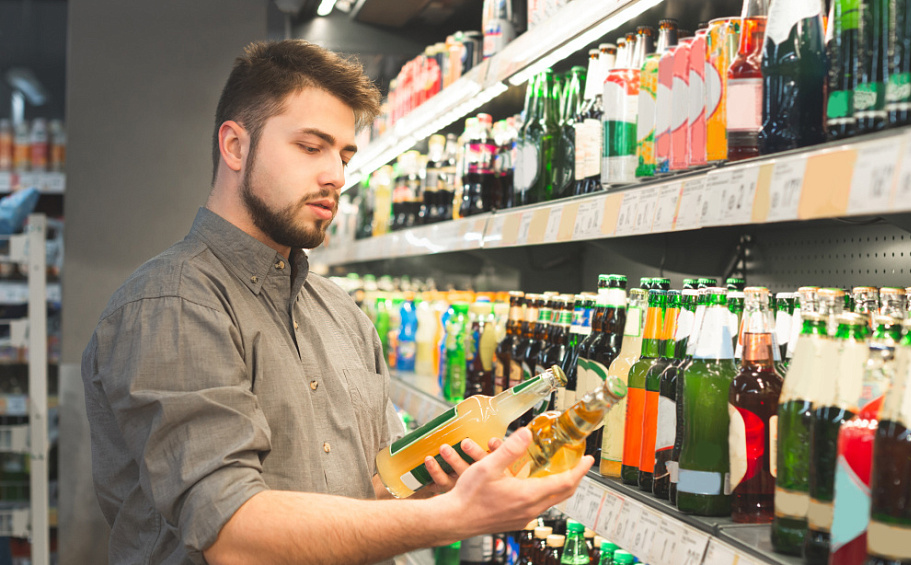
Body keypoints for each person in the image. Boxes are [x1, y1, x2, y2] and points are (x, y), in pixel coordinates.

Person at [81, 39, 592, 565]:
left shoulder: (341, 314)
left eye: (344, 155)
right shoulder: (172, 305)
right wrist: (454, 518)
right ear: (235, 146)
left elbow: (370, 491)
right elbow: (231, 535)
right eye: (311, 147)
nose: (337, 176)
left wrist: (436, 487)